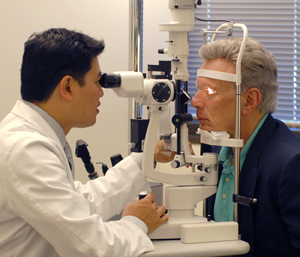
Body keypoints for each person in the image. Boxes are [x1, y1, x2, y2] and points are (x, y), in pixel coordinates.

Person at [0, 28, 168, 257]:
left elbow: (76, 202)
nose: (101, 93)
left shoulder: (30, 137)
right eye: (98, 82)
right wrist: (135, 223)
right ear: (68, 87)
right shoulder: (27, 150)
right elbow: (91, 247)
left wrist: (146, 157)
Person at [191, 36, 300, 256]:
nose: (195, 101)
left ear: (249, 100)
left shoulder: (290, 164)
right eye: (198, 89)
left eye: (210, 91)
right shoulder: (215, 149)